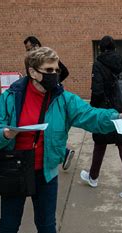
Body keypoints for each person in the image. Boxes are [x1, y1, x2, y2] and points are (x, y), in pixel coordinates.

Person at [0, 47, 122, 233]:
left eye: (57, 69)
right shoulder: (11, 97)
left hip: (46, 172)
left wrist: (117, 117)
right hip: (16, 169)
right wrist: (5, 133)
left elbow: (90, 116)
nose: (55, 74)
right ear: (32, 72)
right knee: (9, 223)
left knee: (46, 225)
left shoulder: (63, 99)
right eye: (49, 70)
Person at [80, 35, 122, 202]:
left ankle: (93, 177)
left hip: (106, 112)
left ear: (101, 48)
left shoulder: (98, 64)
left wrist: (93, 109)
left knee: (100, 144)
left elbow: (97, 91)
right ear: (114, 48)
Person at [23, 36, 75, 170]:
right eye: (26, 50)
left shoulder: (48, 58)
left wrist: (54, 82)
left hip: (49, 97)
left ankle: (63, 152)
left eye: (29, 48)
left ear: (36, 46)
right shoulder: (31, 61)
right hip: (35, 95)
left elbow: (65, 71)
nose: (28, 52)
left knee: (51, 128)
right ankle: (63, 152)